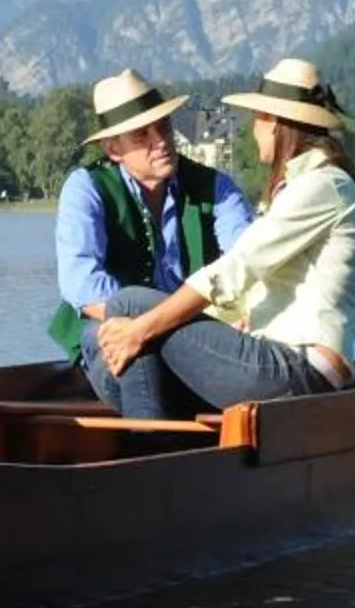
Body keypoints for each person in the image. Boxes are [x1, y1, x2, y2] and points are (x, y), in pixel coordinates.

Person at [94, 57, 355, 411]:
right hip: (290, 363)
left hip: (300, 369)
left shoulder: (321, 185)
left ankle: (150, 450)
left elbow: (236, 267)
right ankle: (156, 445)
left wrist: (140, 330)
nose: (253, 128)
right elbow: (253, 280)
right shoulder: (312, 184)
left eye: (258, 118)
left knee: (129, 305)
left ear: (274, 123)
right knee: (132, 356)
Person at [53, 69, 255, 420]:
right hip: (111, 338)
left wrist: (232, 315)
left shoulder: (216, 187)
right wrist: (158, 324)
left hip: (196, 336)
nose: (160, 140)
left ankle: (151, 457)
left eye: (163, 127)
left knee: (143, 339)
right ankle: (152, 454)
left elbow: (250, 260)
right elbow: (81, 285)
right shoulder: (86, 188)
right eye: (141, 135)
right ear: (113, 149)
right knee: (135, 346)